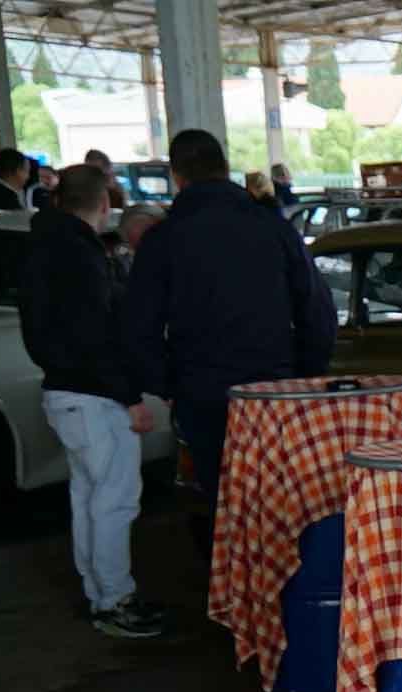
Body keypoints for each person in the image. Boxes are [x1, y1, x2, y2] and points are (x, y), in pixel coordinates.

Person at [123, 130, 337, 556]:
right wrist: (302, 377)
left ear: (177, 176)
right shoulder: (274, 229)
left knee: (225, 504)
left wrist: (170, 382)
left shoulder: (164, 241)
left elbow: (138, 327)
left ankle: (235, 605)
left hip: (203, 395)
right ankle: (283, 603)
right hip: (275, 393)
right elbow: (317, 312)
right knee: (282, 502)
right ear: (226, 169)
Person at [21, 164, 162, 640]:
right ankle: (116, 599)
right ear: (104, 205)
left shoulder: (45, 245)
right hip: (94, 398)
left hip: (63, 394)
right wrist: (130, 398)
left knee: (88, 498)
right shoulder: (79, 255)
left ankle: (100, 594)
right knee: (115, 502)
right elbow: (95, 336)